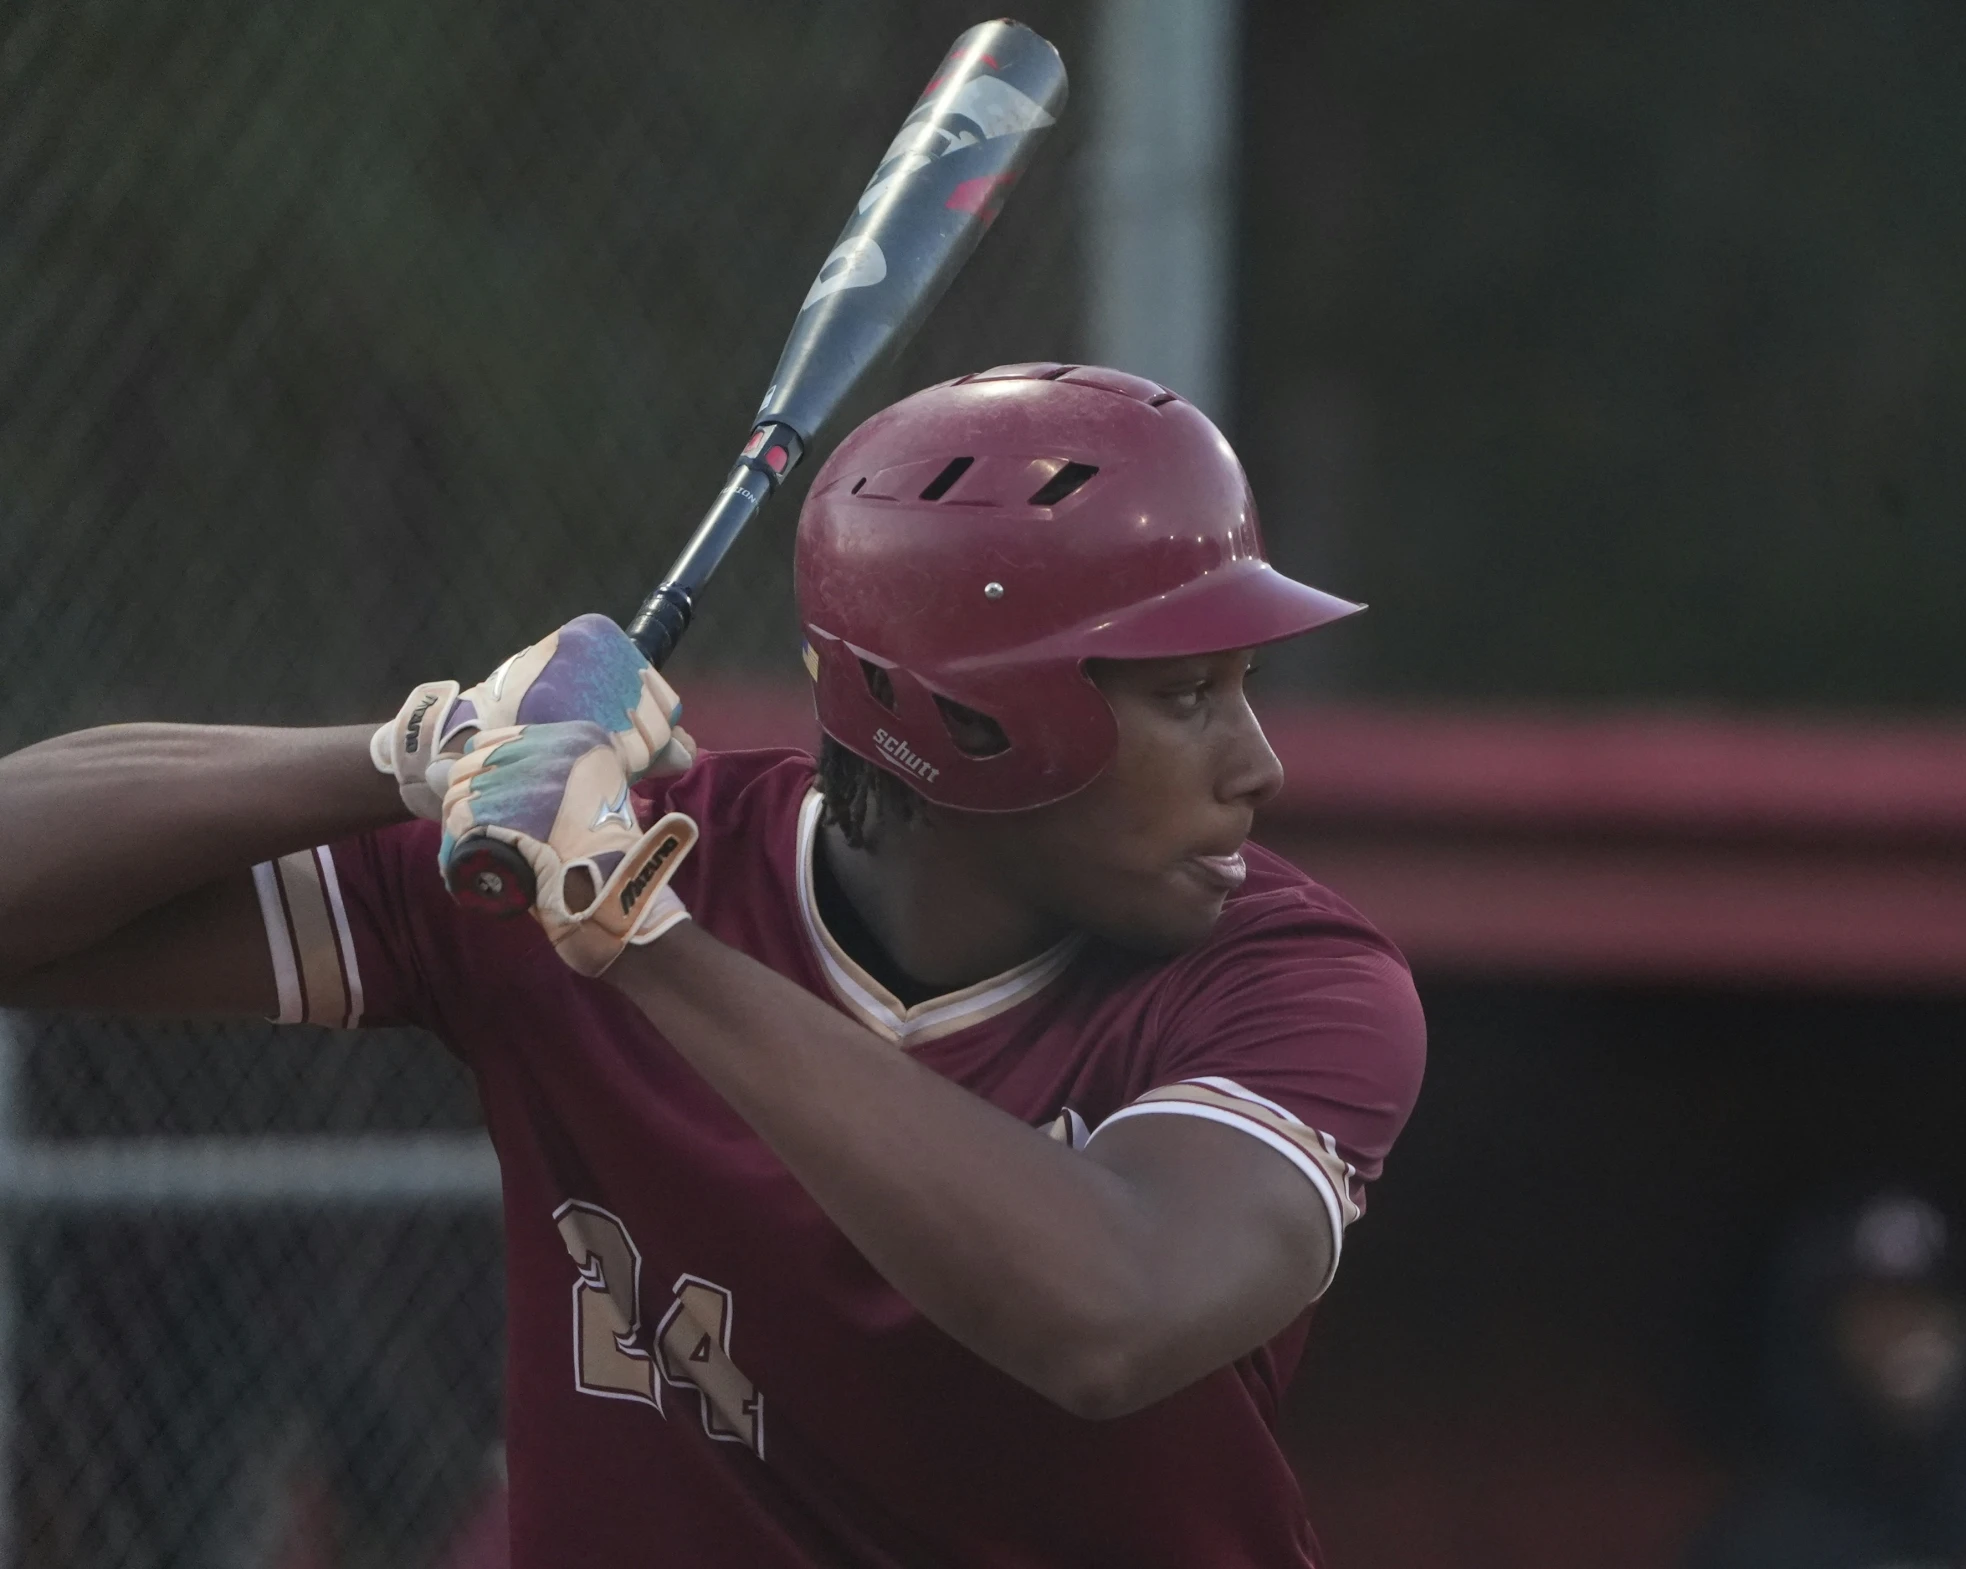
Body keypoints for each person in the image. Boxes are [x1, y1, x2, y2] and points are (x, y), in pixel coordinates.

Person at [0, 363, 1427, 1567]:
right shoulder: (605, 860)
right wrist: (413, 749)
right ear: (983, 727)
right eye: (1188, 699)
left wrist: (636, 937)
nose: (1260, 766)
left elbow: (1111, 1314)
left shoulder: (1290, 980)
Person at [1687, 1191, 1966, 1569]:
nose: (1907, 1336)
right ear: (1823, 1340)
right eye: (1879, 1313)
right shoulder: (1755, 1544)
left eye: (1926, 1308)